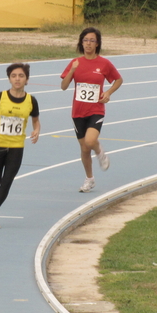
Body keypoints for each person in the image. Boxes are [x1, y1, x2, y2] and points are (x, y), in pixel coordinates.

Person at [60, 27, 123, 193]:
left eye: (92, 40)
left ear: (97, 44)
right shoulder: (75, 62)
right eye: (85, 40)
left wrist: (108, 93)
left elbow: (118, 79)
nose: (88, 43)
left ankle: (100, 151)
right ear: (81, 42)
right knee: (84, 149)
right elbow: (64, 86)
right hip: (78, 111)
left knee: (90, 141)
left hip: (96, 109)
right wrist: (72, 70)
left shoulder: (104, 63)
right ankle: (89, 179)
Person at [0, 63, 41, 229]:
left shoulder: (31, 100)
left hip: (16, 147)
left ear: (26, 79)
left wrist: (36, 130)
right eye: (13, 76)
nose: (17, 79)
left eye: (21, 75)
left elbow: (35, 120)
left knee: (7, 182)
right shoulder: (0, 97)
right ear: (9, 79)